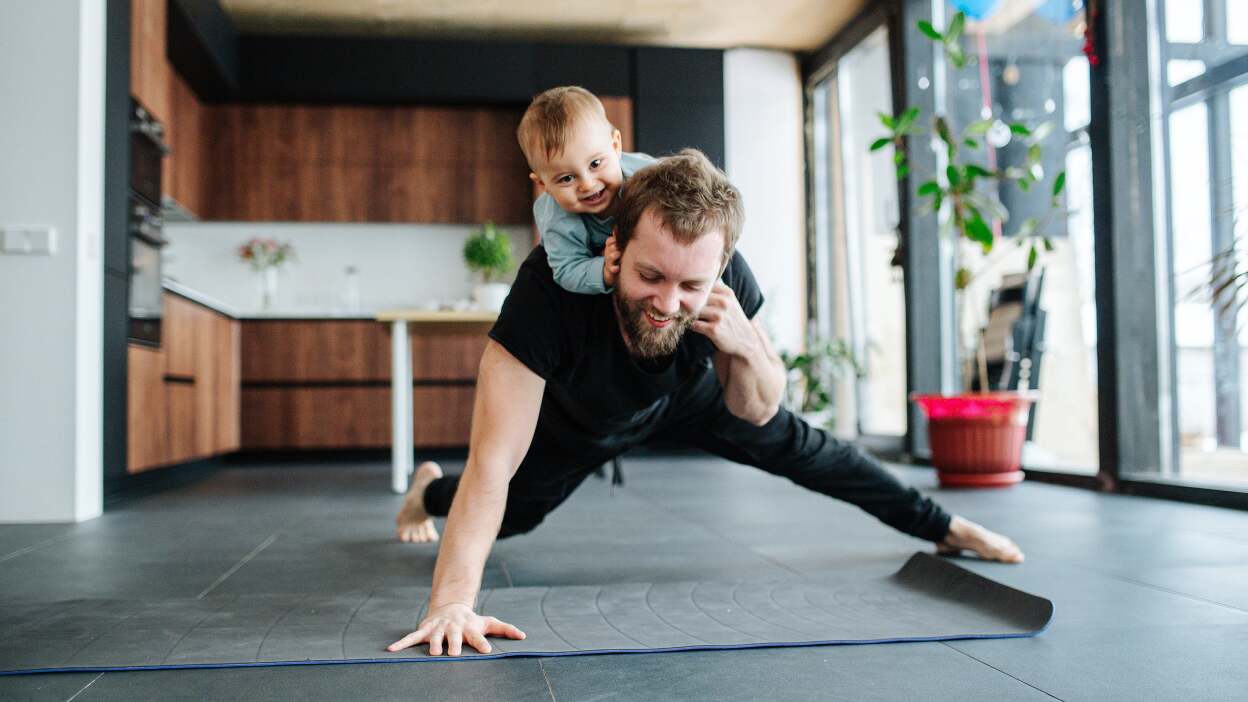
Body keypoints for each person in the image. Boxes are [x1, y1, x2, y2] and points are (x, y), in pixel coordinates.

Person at [389, 150, 1024, 657]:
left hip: (689, 397)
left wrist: (746, 344)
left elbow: (759, 410)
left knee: (809, 449)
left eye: (692, 284)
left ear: (719, 269)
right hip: (583, 417)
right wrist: (450, 601)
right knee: (515, 515)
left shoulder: (730, 286)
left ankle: (943, 527)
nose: (667, 303)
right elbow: (493, 462)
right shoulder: (546, 293)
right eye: (649, 277)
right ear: (613, 250)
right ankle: (426, 493)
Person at [519, 85, 655, 295]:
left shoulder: (648, 176)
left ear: (616, 146)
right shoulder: (558, 219)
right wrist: (603, 270)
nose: (587, 184)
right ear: (544, 185)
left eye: (595, 164)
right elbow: (567, 268)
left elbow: (692, 186)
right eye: (566, 178)